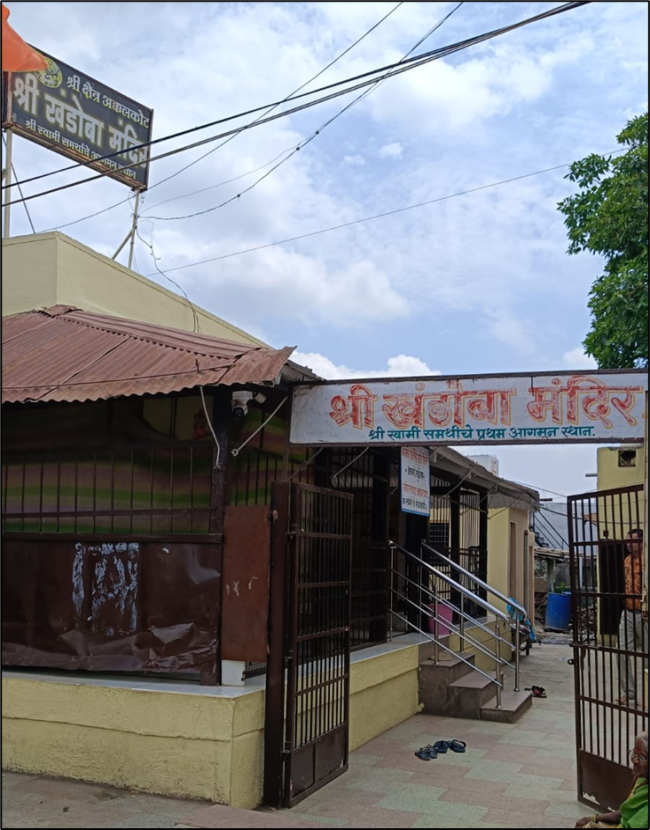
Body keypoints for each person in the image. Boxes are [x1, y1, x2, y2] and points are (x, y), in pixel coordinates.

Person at [574, 732, 648, 828]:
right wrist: (592, 818)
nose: (635, 760)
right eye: (634, 753)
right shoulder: (641, 779)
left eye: (641, 757)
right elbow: (622, 813)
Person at [617, 528, 647, 708]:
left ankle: (646, 694)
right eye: (627, 540)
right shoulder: (627, 561)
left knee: (646, 656)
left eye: (632, 541)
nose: (628, 544)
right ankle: (629, 693)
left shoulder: (646, 562)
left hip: (644, 613)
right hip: (628, 611)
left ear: (641, 542)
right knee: (621, 651)